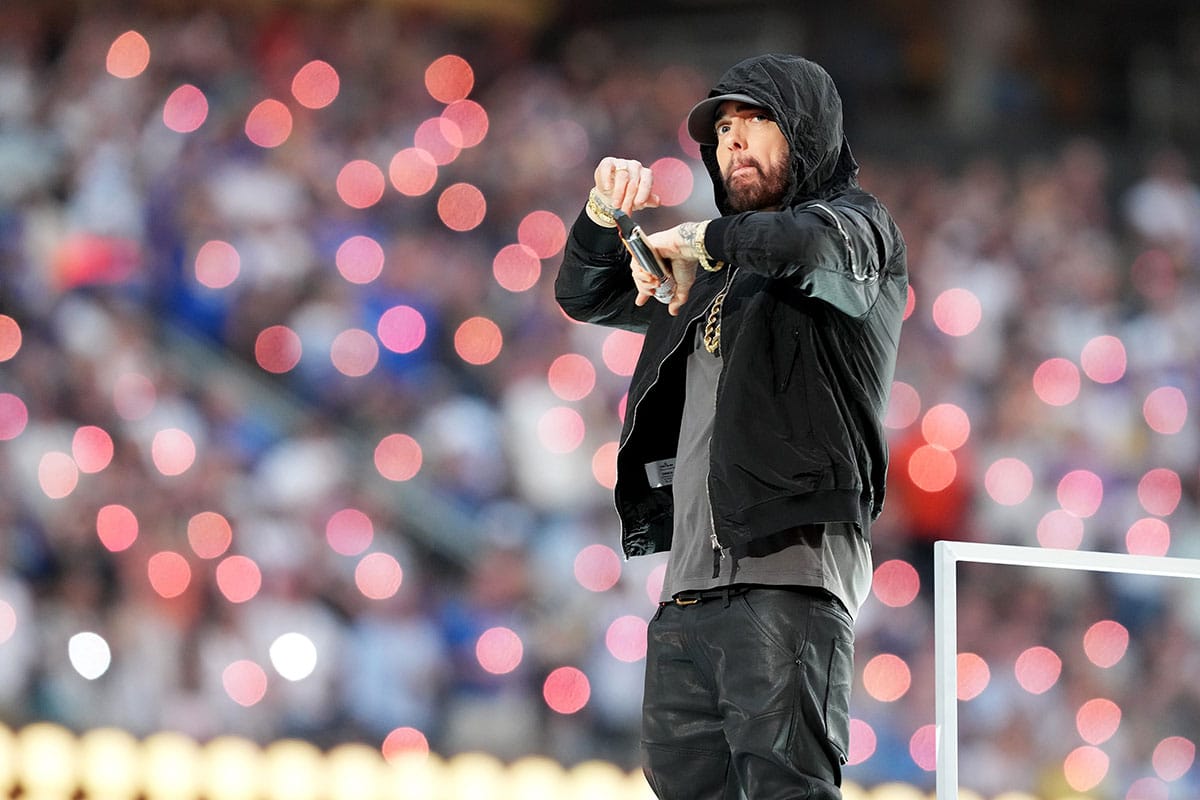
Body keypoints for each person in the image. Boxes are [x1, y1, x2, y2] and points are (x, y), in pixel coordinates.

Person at [555, 54, 908, 798]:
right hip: (686, 585)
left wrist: (701, 242)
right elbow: (586, 295)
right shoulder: (712, 269)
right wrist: (600, 217)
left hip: (789, 566)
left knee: (785, 788)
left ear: (809, 133)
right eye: (722, 129)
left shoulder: (860, 232)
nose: (733, 142)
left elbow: (801, 247)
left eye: (757, 121)